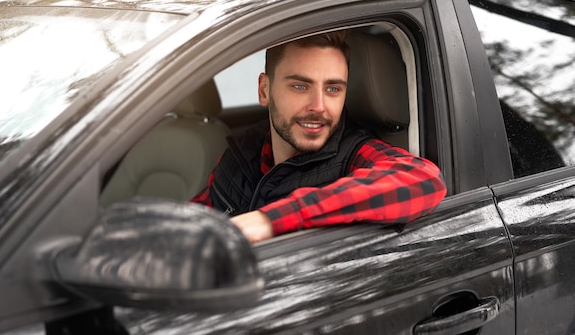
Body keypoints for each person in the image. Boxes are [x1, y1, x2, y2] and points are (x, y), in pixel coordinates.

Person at [191, 30, 446, 243]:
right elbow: (195, 218)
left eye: (333, 89)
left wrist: (270, 220)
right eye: (300, 86)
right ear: (264, 90)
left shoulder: (353, 155)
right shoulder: (242, 151)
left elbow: (423, 179)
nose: (319, 106)